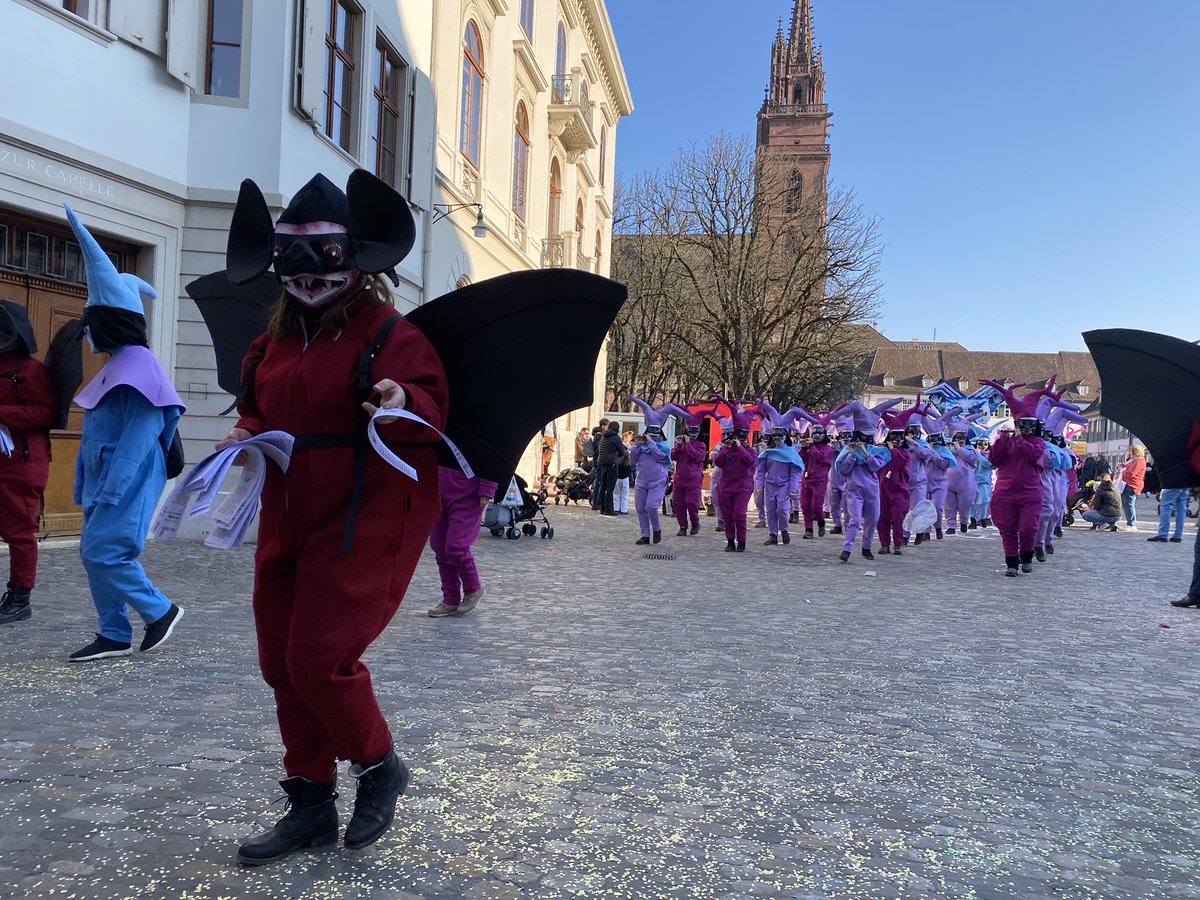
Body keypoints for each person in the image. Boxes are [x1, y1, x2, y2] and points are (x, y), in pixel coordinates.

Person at [219, 172, 451, 864]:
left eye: (324, 260)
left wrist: (398, 396)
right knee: (280, 663)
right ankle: (310, 802)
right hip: (286, 511)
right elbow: (260, 405)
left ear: (356, 260)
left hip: (363, 513)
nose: (309, 278)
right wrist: (246, 428)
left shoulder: (389, 334)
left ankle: (379, 765)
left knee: (319, 658)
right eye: (295, 262)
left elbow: (433, 410)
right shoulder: (272, 343)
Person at [64, 206, 186, 662]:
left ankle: (161, 610)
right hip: (106, 480)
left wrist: (111, 487)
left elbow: (138, 435)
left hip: (127, 480)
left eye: (92, 323)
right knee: (94, 551)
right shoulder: (117, 366)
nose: (88, 334)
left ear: (109, 322)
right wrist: (85, 484)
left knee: (105, 552)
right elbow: (95, 433)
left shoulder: (139, 369)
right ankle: (113, 632)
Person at [0, 301, 57, 625]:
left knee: (20, 533)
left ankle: (20, 598)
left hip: (21, 464)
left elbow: (45, 413)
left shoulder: (30, 370)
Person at [427, 468, 497, 618]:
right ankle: (450, 600)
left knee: (456, 546)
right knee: (439, 546)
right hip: (439, 493)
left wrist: (487, 488)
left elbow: (491, 459)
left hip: (468, 496)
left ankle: (473, 589)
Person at [990, 418, 1046, 575]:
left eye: (1029, 425)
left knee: (1028, 527)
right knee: (1007, 529)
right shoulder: (1007, 441)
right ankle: (1012, 563)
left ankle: (1027, 556)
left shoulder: (1038, 442)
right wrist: (1002, 439)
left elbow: (1034, 453)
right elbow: (994, 459)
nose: (1026, 428)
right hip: (1006, 491)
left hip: (1030, 490)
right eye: (1022, 425)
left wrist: (1019, 438)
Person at [836, 430, 890, 562]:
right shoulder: (847, 452)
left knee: (872, 520)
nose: (861, 444)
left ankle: (866, 547)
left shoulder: (876, 451)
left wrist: (866, 454)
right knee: (855, 520)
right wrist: (852, 455)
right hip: (853, 490)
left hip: (872, 491)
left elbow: (875, 467)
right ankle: (847, 549)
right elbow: (843, 471)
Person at [757, 429, 804, 546]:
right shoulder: (768, 452)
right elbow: (760, 471)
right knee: (771, 511)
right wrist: (759, 486)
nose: (778, 439)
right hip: (770, 485)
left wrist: (793, 489)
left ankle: (784, 531)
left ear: (785, 437)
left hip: (785, 485)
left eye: (781, 436)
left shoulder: (791, 452)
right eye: (775, 436)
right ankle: (773, 535)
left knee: (782, 510)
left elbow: (795, 473)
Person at [713, 427, 756, 552]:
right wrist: (730, 448)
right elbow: (719, 462)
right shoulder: (724, 449)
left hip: (743, 486)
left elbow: (749, 462)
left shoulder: (750, 451)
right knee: (727, 515)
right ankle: (730, 541)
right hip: (726, 486)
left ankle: (741, 540)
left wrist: (739, 447)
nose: (739, 440)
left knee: (739, 513)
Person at [630, 426, 669, 544]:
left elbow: (660, 456)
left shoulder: (664, 446)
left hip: (658, 480)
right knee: (640, 508)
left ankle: (657, 530)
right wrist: (637, 444)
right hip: (641, 480)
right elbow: (633, 459)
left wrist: (651, 442)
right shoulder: (642, 447)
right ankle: (645, 535)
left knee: (651, 506)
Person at [876, 429, 911, 555]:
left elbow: (900, 463)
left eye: (899, 438)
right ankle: (884, 544)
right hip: (882, 490)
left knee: (897, 518)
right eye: (893, 438)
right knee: (882, 518)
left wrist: (892, 450)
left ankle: (898, 544)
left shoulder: (905, 453)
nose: (896, 441)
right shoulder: (882, 452)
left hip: (899, 491)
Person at [798, 425, 834, 538]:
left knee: (817, 505)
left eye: (820, 433)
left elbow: (820, 457)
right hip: (806, 479)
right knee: (805, 505)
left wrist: (812, 446)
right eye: (814, 434)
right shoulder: (809, 447)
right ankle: (808, 529)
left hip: (820, 480)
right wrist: (804, 448)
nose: (817, 436)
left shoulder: (827, 448)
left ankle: (821, 522)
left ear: (824, 435)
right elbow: (801, 460)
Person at [671, 427, 707, 535]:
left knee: (691, 502)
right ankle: (683, 526)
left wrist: (687, 444)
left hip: (694, 479)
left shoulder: (701, 445)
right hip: (680, 478)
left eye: (696, 431)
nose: (693, 434)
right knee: (678, 503)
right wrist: (678, 445)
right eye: (691, 431)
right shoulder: (681, 444)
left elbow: (698, 456)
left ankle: (695, 523)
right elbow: (673, 456)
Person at [594, 420, 624, 515]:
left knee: (603, 486)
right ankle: (608, 509)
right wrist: (616, 455)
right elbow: (622, 452)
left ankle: (602, 508)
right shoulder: (616, 438)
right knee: (610, 487)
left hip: (602, 463)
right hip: (611, 463)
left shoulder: (603, 436)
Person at [1119, 446, 1146, 530]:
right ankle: (1129, 523)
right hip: (1127, 484)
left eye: (1131, 451)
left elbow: (1131, 473)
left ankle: (1132, 524)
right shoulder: (1134, 461)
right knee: (1126, 505)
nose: (1129, 453)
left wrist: (1122, 471)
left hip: (1132, 485)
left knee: (1129, 504)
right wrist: (1122, 466)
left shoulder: (1139, 461)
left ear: (1135, 452)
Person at [970, 437, 994, 528]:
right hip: (973, 481)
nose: (982, 446)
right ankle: (973, 520)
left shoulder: (990, 455)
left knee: (985, 500)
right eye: (980, 444)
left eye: (985, 444)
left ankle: (983, 518)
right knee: (973, 502)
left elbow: (987, 464)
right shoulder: (973, 454)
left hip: (985, 482)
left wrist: (978, 454)